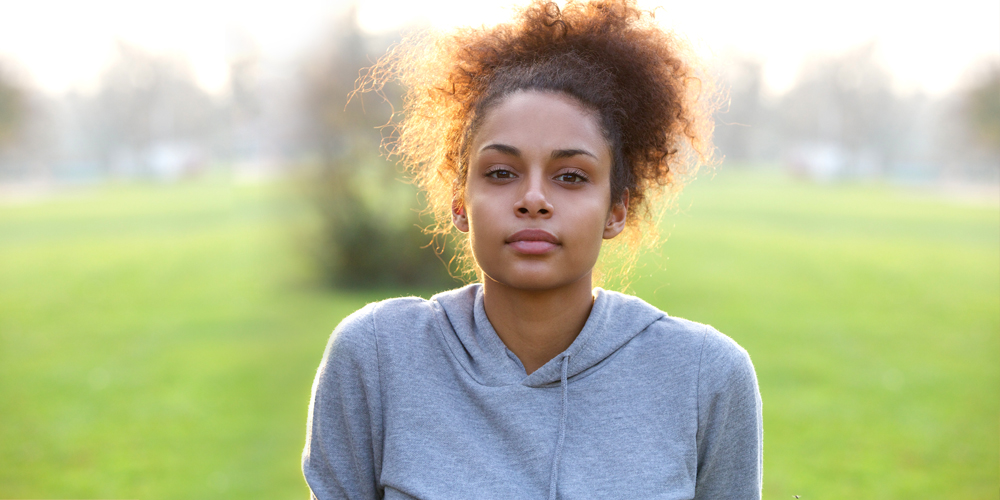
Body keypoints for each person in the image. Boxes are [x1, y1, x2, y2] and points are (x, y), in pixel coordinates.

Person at [302, 0, 763, 498]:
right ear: (460, 203)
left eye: (571, 176)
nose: (534, 200)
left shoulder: (704, 375)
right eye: (501, 172)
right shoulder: (376, 356)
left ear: (616, 210)